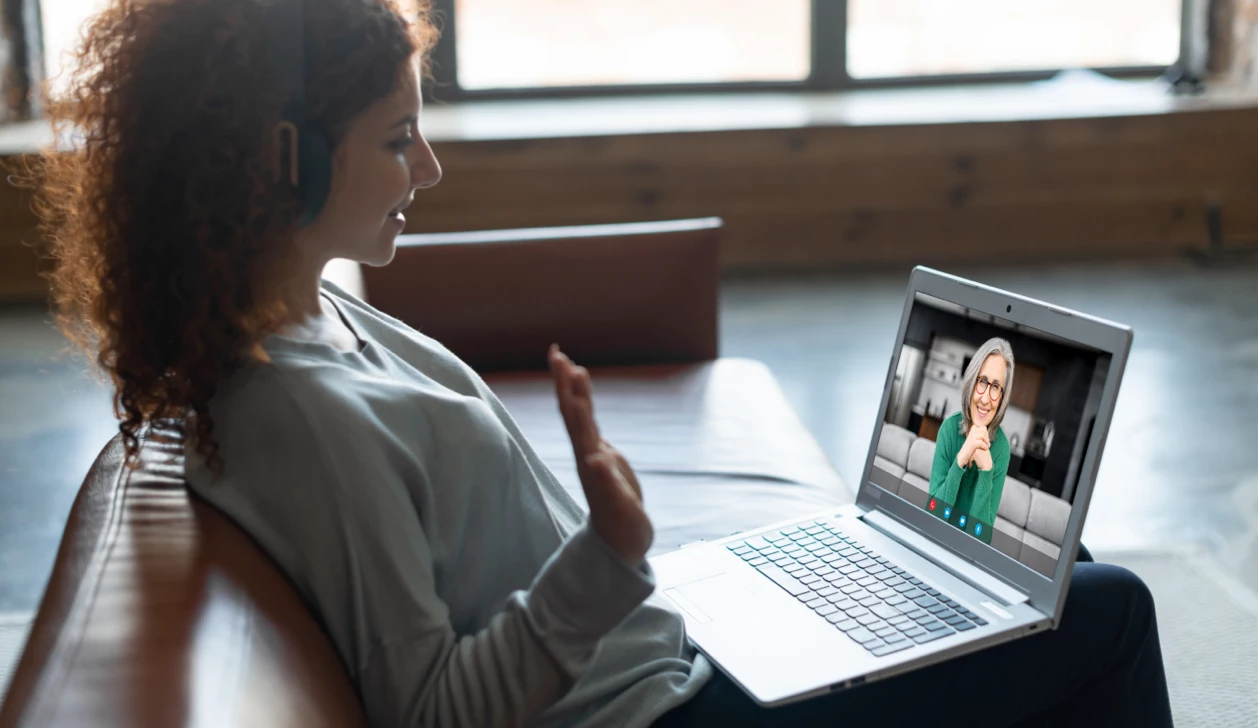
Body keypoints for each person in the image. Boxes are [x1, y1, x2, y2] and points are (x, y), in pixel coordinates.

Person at [31, 1, 1172, 725]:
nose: (426, 168)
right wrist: (610, 553)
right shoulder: (291, 410)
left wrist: (642, 566)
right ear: (283, 163)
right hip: (661, 715)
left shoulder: (316, 316)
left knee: (995, 607)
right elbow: (434, 713)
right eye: (393, 139)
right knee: (1107, 608)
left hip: (671, 653)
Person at [927, 338, 1013, 542]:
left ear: (1002, 397)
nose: (985, 398)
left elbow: (981, 540)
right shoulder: (949, 430)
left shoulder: (1001, 449)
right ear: (972, 382)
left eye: (996, 387)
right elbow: (931, 519)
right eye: (982, 381)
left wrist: (986, 471)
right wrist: (961, 459)